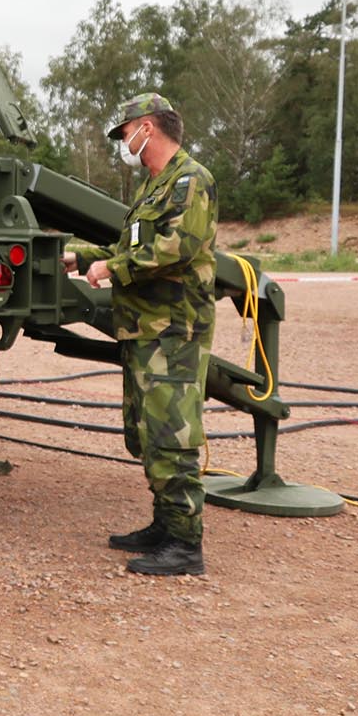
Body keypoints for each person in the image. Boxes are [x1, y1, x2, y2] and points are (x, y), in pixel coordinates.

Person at [62, 93, 218, 577]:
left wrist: (113, 268)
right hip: (146, 329)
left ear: (148, 127)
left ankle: (185, 546)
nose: (123, 142)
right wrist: (84, 258)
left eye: (125, 132)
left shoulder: (191, 180)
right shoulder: (155, 186)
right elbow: (133, 243)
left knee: (172, 436)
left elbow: (174, 249)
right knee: (147, 432)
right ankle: (164, 526)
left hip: (174, 329)